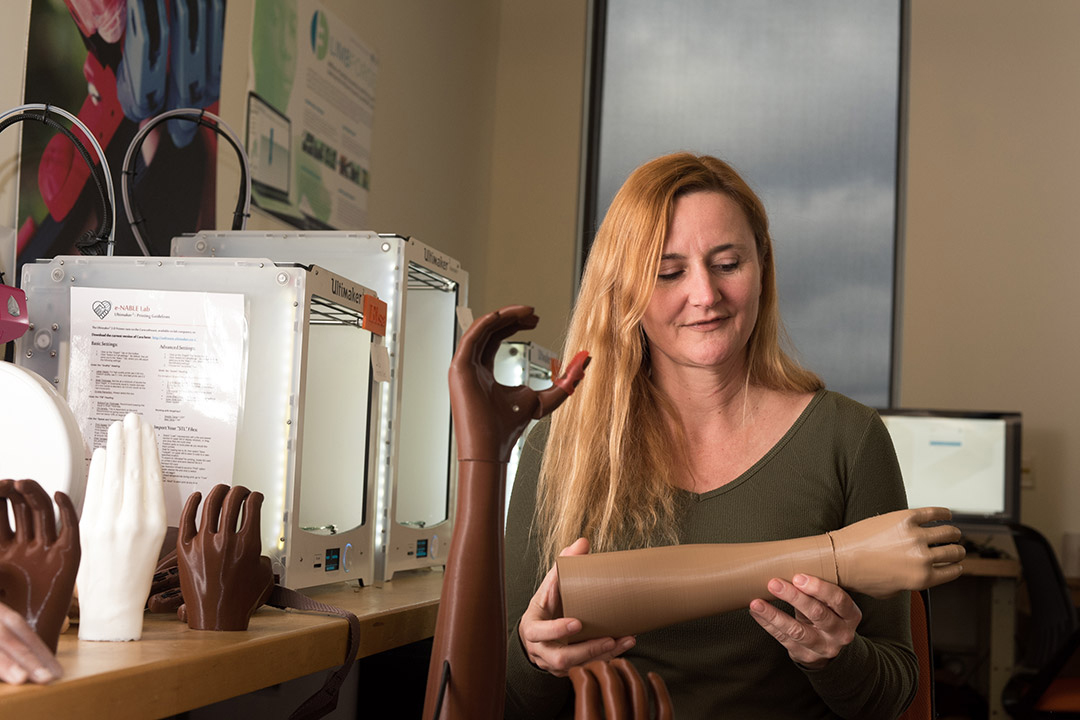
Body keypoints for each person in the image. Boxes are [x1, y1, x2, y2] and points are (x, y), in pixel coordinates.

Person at [505, 152, 917, 719]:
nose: (705, 295)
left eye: (727, 264)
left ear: (763, 266)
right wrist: (536, 657)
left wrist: (833, 658)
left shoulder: (849, 438)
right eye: (668, 272)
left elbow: (894, 695)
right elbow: (509, 698)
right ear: (625, 290)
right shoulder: (557, 450)